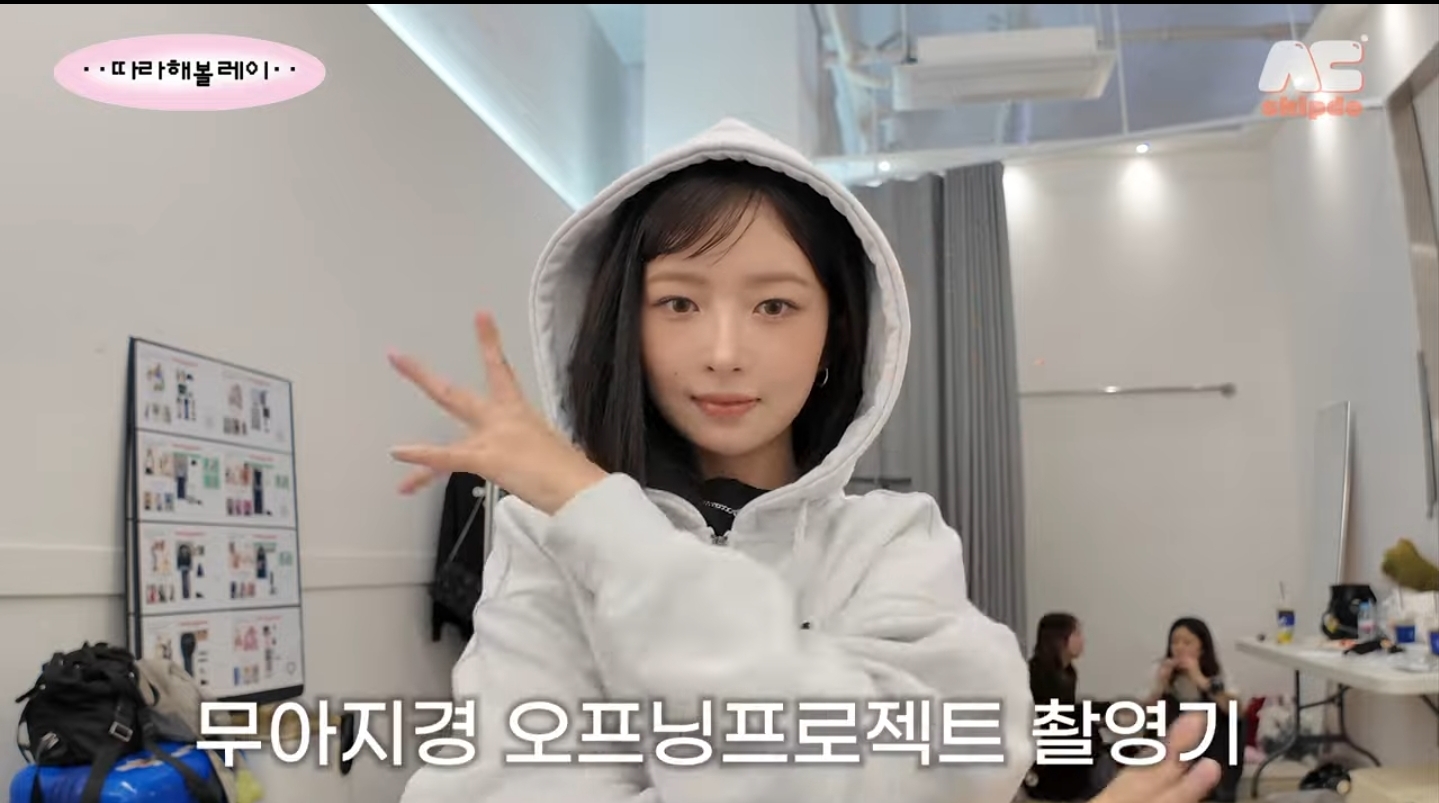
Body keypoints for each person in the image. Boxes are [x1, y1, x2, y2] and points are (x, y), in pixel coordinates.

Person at [386, 118, 1224, 803]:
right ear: (624, 326)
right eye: (678, 301)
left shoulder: (895, 540)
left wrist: (611, 527)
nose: (723, 351)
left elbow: (954, 765)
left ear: (836, 331)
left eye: (774, 306)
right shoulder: (544, 538)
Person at [1143, 617, 1245, 802]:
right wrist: (1160, 686)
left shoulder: (1216, 672)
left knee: (1230, 722)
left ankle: (1219, 789)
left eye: (1187, 642)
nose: (1179, 648)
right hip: (1174, 741)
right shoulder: (1160, 670)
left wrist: (1201, 680)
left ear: (1202, 648)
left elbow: (1236, 711)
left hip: (1210, 744)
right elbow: (1143, 716)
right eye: (1175, 642)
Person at [1028, 612, 1115, 800]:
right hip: (1046, 755)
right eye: (1077, 633)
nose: (1082, 640)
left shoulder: (1068, 672)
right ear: (1060, 639)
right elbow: (1056, 715)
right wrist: (1105, 710)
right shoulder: (1036, 672)